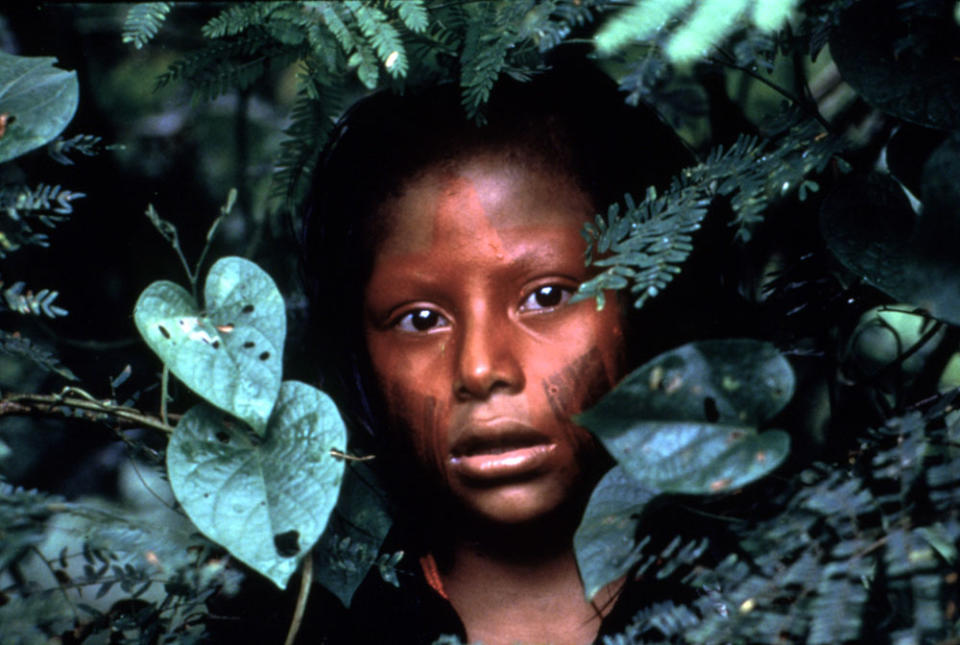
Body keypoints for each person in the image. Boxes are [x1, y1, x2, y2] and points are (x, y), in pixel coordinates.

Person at [299, 60, 693, 644]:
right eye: (422, 319)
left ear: (647, 292)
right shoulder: (291, 626)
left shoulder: (805, 580)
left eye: (546, 296)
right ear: (358, 350)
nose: (481, 369)